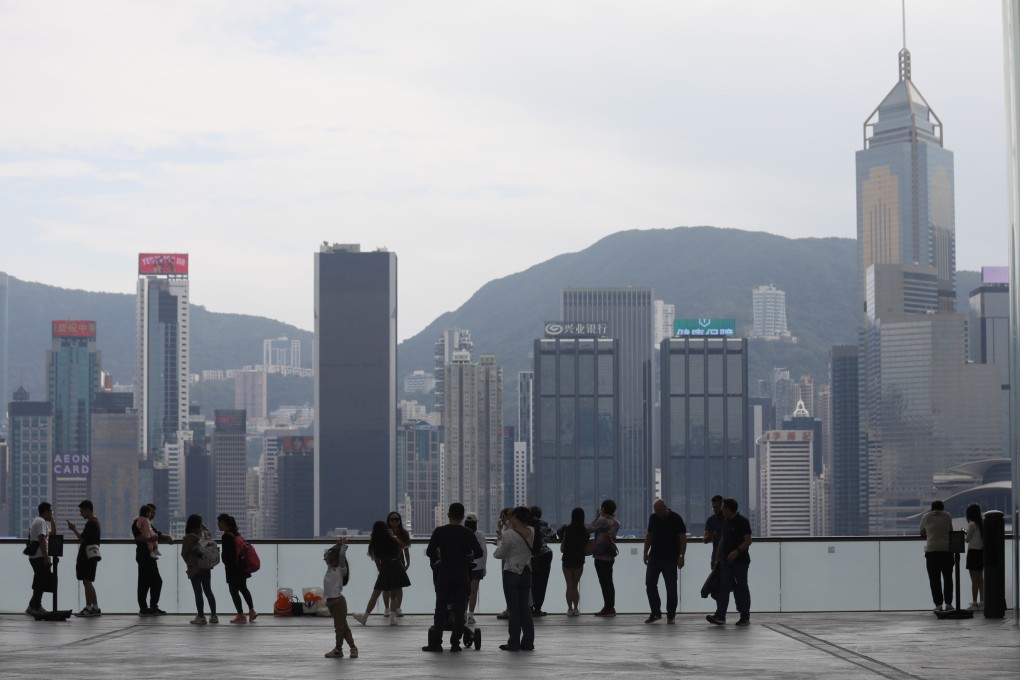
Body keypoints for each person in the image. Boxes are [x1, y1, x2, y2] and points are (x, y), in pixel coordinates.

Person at [423, 502, 483, 652]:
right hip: (462, 575)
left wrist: (440, 557)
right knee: (459, 609)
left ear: (448, 515)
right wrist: (468, 557)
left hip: (444, 575)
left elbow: (430, 551)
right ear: (463, 517)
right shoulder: (468, 533)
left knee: (440, 608)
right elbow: (479, 552)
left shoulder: (440, 531)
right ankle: (455, 643)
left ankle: (436, 643)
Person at [352, 520, 411, 626]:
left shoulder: (375, 544)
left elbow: (377, 562)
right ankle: (393, 619)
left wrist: (382, 573)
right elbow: (401, 547)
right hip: (397, 566)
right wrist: (392, 535)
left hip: (385, 568)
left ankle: (364, 617)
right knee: (393, 594)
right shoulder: (392, 540)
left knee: (375, 594)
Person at [494, 506, 536, 651]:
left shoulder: (510, 534)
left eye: (511, 516)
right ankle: (528, 642)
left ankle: (514, 642)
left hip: (511, 573)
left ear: (515, 518)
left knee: (514, 610)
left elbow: (499, 554)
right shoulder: (532, 531)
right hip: (526, 572)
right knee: (525, 608)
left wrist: (500, 540)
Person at [707, 497, 752, 626]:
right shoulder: (726, 521)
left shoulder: (743, 522)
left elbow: (748, 540)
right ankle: (720, 616)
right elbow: (723, 539)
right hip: (725, 561)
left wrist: (737, 551)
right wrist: (718, 557)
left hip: (741, 561)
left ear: (728, 509)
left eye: (723, 507)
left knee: (742, 587)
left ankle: (745, 616)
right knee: (723, 588)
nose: (721, 509)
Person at [642, 499, 687, 624]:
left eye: (660, 510)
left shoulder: (676, 518)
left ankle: (671, 614)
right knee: (650, 584)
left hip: (670, 559)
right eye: (656, 510)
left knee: (671, 587)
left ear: (665, 507)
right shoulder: (653, 518)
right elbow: (649, 535)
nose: (658, 513)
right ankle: (656, 612)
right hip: (654, 557)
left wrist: (681, 555)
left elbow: (683, 537)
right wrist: (645, 552)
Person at [133, 503, 172, 616]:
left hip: (149, 556)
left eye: (154, 513)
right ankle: (144, 608)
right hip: (144, 555)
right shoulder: (138, 522)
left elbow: (157, 533)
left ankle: (152, 607)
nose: (153, 515)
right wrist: (151, 538)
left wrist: (166, 537)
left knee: (154, 581)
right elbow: (138, 537)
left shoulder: (148, 523)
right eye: (151, 513)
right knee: (145, 582)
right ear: (147, 512)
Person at [218, 513, 257, 623]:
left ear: (223, 523)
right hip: (242, 567)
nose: (218, 525)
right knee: (244, 589)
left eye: (219, 522)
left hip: (232, 569)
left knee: (233, 591)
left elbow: (226, 556)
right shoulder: (236, 534)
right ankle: (252, 611)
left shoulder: (226, 536)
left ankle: (241, 615)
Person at [323, 539, 358, 659]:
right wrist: (336, 545)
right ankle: (353, 648)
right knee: (343, 627)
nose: (330, 561)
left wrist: (342, 546)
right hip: (330, 602)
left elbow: (342, 555)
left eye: (333, 559)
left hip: (338, 602)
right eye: (329, 559)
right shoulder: (329, 567)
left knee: (339, 628)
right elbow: (326, 553)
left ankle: (338, 649)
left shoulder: (340, 569)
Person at [181, 514, 218, 624]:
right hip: (206, 566)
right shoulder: (205, 535)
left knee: (198, 592)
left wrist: (189, 562)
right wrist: (202, 525)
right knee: (208, 591)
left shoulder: (188, 538)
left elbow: (184, 553)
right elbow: (209, 534)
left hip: (194, 568)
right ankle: (214, 616)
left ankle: (201, 616)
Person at [68, 500, 101, 617]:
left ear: (87, 510)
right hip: (92, 556)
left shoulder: (91, 523)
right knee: (89, 582)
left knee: (87, 581)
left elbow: (82, 539)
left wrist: (73, 529)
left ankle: (88, 608)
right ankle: (95, 608)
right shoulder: (95, 522)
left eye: (82, 511)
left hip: (87, 557)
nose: (81, 514)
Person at [587, 499, 620, 616]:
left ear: (604, 508)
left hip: (601, 555)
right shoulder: (616, 522)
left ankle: (608, 608)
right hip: (610, 555)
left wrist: (597, 517)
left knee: (604, 582)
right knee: (609, 581)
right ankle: (611, 607)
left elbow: (588, 529)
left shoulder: (602, 520)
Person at [920, 500, 954, 613]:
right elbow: (951, 530)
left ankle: (938, 604)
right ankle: (949, 603)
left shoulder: (926, 517)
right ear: (942, 508)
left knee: (934, 579)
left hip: (932, 552)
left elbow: (921, 532)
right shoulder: (947, 516)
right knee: (948, 578)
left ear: (932, 508)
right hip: (946, 551)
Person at [25, 502, 56, 616]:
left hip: (37, 556)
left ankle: (34, 605)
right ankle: (35, 606)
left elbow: (53, 534)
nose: (51, 514)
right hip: (39, 556)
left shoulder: (40, 522)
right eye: (50, 512)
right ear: (46, 511)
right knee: (40, 582)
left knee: (40, 581)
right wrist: (45, 557)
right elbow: (42, 539)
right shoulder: (40, 522)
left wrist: (53, 521)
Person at [559, 507, 588, 616]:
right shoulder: (584, 530)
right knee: (575, 586)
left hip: (567, 559)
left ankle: (569, 609)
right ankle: (576, 608)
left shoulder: (567, 529)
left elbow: (559, 534)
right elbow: (586, 539)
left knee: (569, 585)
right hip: (579, 559)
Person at [529, 505, 554, 617]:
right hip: (544, 555)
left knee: (530, 582)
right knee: (542, 583)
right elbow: (553, 536)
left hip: (530, 557)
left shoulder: (526, 524)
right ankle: (537, 608)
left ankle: (529, 606)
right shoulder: (544, 524)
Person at [386, 511, 412, 617]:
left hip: (400, 562)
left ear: (400, 521)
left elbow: (406, 549)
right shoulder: (385, 532)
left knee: (399, 586)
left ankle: (398, 608)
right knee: (386, 586)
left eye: (397, 519)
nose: (394, 521)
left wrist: (408, 562)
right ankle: (387, 608)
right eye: (392, 519)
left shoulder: (404, 533)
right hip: (387, 562)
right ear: (388, 521)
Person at [465, 511, 487, 625]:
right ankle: (471, 616)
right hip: (477, 566)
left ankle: (463, 614)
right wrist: (484, 567)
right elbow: (484, 552)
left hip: (464, 565)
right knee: (473, 592)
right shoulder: (480, 535)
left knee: (464, 591)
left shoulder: (462, 533)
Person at [965, 503, 984, 611]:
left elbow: (967, 540)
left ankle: (974, 603)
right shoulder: (983, 523)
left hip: (972, 553)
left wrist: (965, 533)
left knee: (974, 580)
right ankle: (982, 601)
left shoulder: (972, 525)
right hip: (981, 553)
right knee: (980, 579)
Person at [703, 495, 724, 568]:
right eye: (713, 507)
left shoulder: (729, 519)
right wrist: (711, 535)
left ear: (722, 506)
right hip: (716, 556)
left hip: (729, 556)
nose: (715, 509)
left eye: (717, 507)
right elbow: (705, 540)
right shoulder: (711, 520)